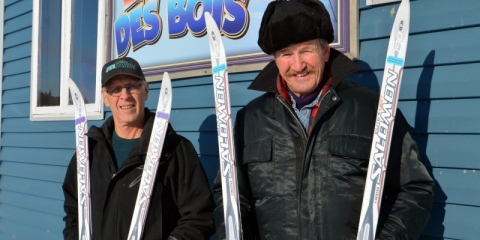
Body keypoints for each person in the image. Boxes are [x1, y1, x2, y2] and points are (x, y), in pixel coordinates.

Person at [213, 0, 435, 239]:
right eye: (286, 54)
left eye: (306, 50)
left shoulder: (371, 109)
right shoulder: (251, 119)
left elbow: (414, 188)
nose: (298, 66)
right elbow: (230, 195)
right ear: (275, 59)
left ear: (326, 51)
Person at [63, 57, 215, 240]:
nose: (125, 95)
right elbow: (74, 211)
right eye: (115, 89)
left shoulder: (175, 149)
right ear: (105, 98)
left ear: (146, 90)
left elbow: (199, 218)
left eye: (132, 86)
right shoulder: (90, 151)